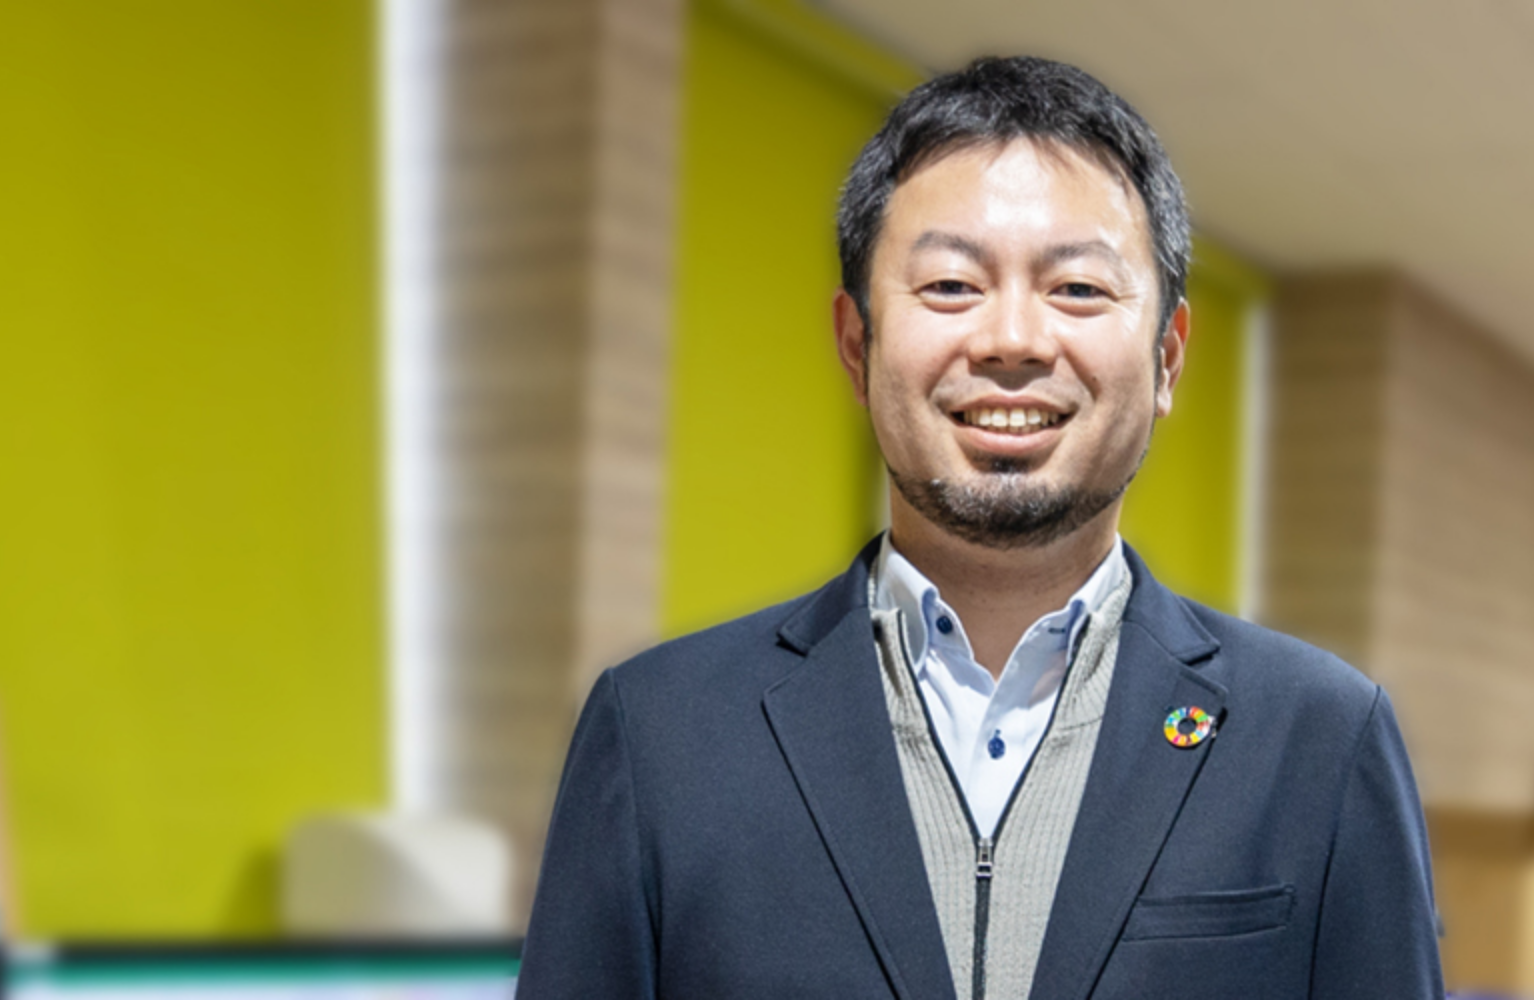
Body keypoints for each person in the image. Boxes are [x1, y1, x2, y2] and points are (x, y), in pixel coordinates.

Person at [516, 56, 1440, 999]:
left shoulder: (1319, 739)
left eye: (1078, 290)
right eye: (952, 285)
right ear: (856, 344)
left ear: (1167, 358)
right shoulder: (662, 733)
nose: (1012, 340)